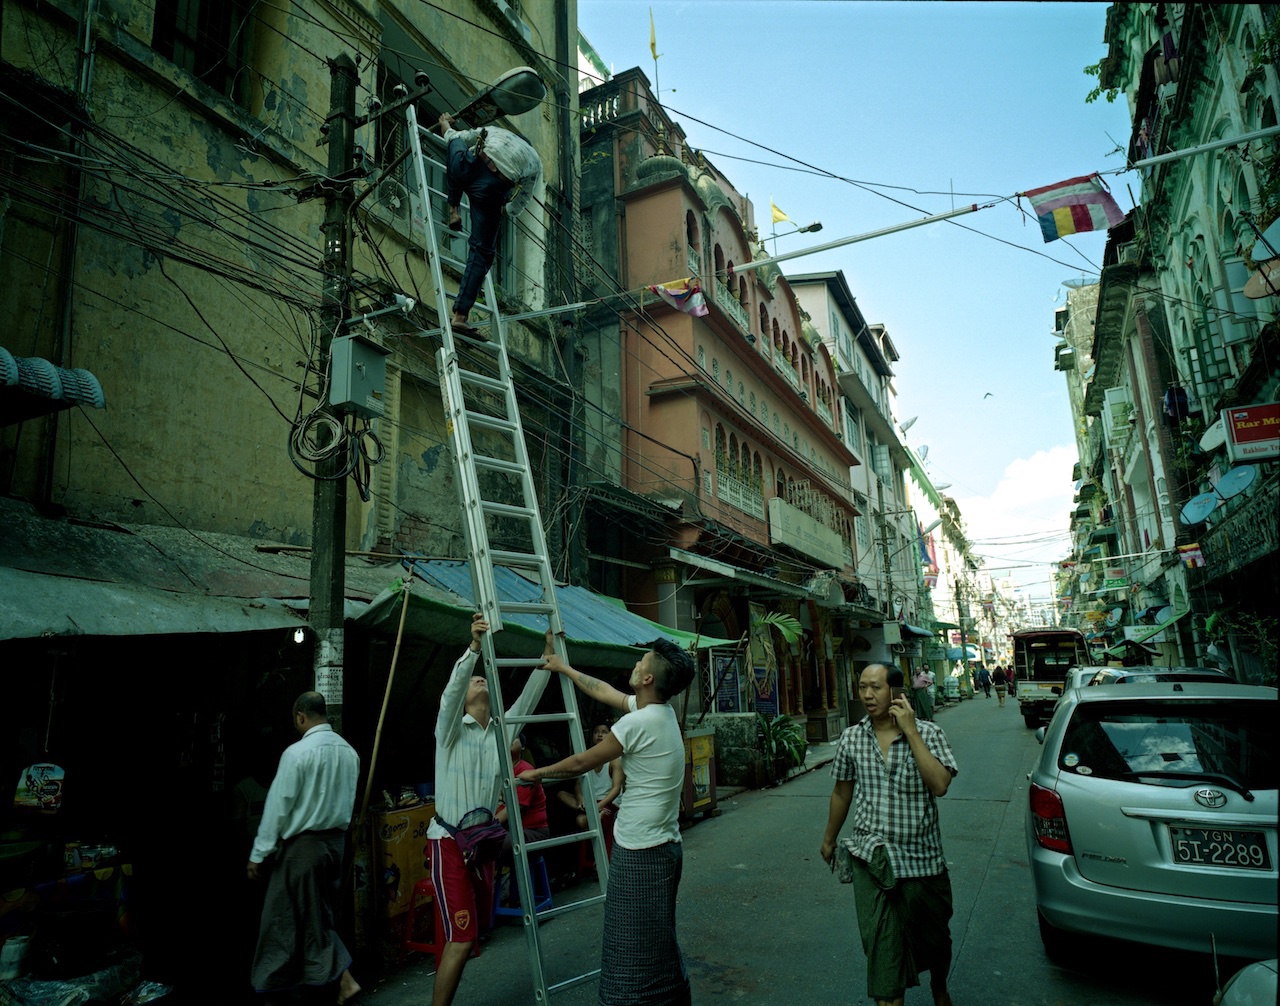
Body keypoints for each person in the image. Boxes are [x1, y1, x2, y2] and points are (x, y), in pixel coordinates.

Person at [519, 632, 696, 1006]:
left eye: (641, 663)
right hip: (662, 846)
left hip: (642, 850)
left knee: (630, 949)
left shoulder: (638, 723)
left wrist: (539, 773)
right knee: (654, 941)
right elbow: (604, 692)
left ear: (648, 679)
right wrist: (563, 667)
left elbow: (585, 761)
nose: (635, 665)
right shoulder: (657, 713)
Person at [427, 613, 550, 1006]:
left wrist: (548, 656)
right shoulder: (450, 730)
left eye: (484, 678)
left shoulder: (501, 730)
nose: (479, 680)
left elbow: (529, 699)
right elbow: (450, 694)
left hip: (482, 844)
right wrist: (474, 648)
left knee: (471, 935)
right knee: (462, 940)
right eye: (473, 680)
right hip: (448, 842)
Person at [820, 664, 958, 1006]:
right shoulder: (852, 737)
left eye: (876, 687)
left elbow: (940, 785)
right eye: (863, 687)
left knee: (935, 943)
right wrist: (829, 838)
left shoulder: (930, 733)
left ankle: (939, 986)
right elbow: (842, 792)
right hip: (873, 858)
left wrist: (911, 732)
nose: (867, 695)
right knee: (883, 955)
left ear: (897, 693)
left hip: (922, 861)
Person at [247, 692, 361, 1006]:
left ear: (300, 716)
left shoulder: (297, 753)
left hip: (305, 848)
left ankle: (339, 980)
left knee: (290, 917)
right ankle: (312, 984)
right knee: (314, 913)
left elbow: (277, 807)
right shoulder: (349, 752)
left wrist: (259, 852)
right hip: (335, 845)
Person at [438, 113, 543, 337]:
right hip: (492, 189)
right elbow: (523, 199)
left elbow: (462, 136)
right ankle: (460, 316)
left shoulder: (496, 131)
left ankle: (453, 209)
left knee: (453, 143)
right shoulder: (534, 159)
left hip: (468, 167)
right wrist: (504, 210)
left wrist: (446, 125)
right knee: (482, 252)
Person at [555, 722, 625, 861]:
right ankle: (590, 813)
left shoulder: (614, 759)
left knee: (582, 821)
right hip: (590, 802)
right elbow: (578, 785)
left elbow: (616, 789)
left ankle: (593, 814)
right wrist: (580, 797)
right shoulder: (588, 756)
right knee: (561, 794)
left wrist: (599, 806)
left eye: (604, 732)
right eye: (596, 732)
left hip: (607, 803)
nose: (600, 734)